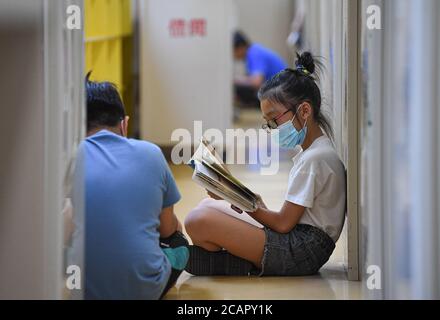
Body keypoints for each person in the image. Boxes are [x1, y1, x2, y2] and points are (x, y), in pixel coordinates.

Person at [185, 52, 346, 277]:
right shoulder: (314, 152)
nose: (271, 127)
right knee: (205, 207)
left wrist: (242, 202)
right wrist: (236, 196)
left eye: (274, 119)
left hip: (301, 252)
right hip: (299, 242)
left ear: (305, 110)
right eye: (267, 123)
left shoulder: (315, 159)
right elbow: (288, 220)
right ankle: (243, 261)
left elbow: (282, 224)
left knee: (197, 220)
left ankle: (243, 263)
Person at [80, 75, 189, 299]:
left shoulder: (68, 158)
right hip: (144, 290)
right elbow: (167, 229)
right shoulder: (151, 153)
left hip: (79, 289)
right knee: (178, 241)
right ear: (124, 124)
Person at [233, 31, 288, 107]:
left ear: (240, 47)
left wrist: (236, 80)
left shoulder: (254, 53)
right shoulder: (253, 51)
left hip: (281, 95)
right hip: (279, 91)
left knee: (239, 88)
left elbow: (256, 82)